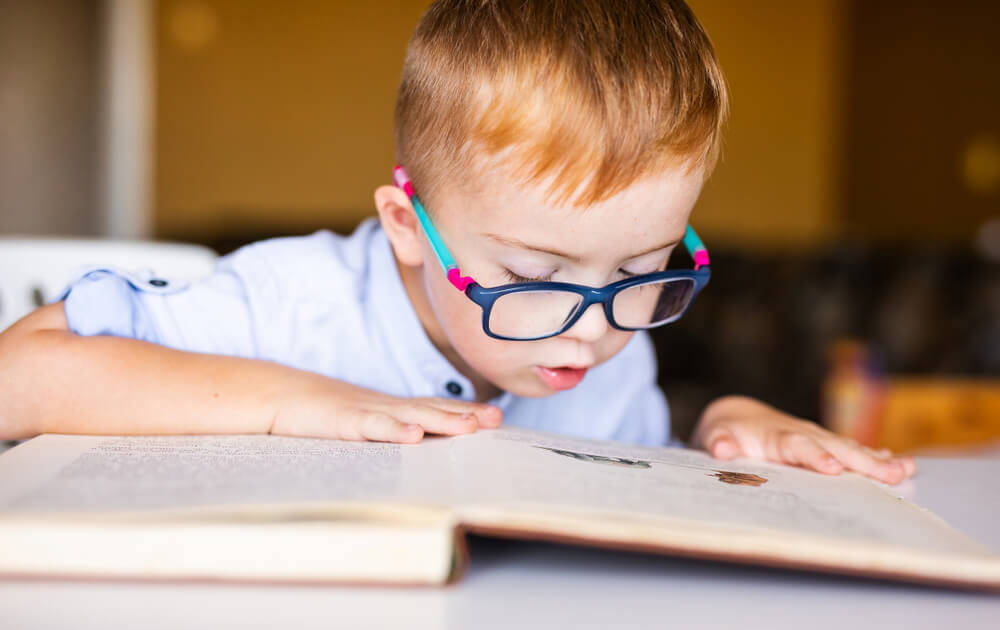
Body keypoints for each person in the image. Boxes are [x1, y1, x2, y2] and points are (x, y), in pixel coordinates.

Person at [0, 0, 915, 484]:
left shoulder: (611, 355)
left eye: (644, 269)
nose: (594, 332)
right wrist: (291, 402)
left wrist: (717, 433)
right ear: (409, 229)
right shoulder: (291, 302)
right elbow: (19, 376)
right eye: (531, 274)